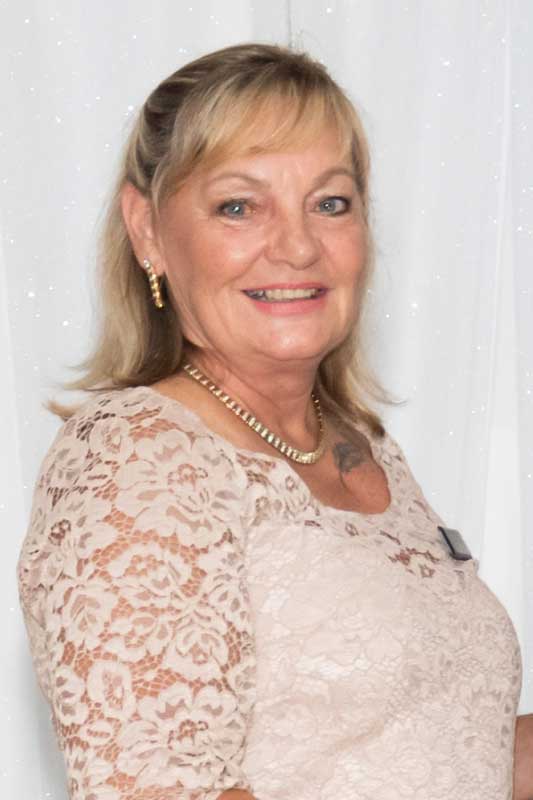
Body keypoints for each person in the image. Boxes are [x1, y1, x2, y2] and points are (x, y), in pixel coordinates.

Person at [16, 42, 530, 800]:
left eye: (330, 203)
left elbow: (442, 753)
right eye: (238, 206)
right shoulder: (139, 454)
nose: (297, 246)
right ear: (147, 229)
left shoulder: (364, 449)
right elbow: (162, 788)